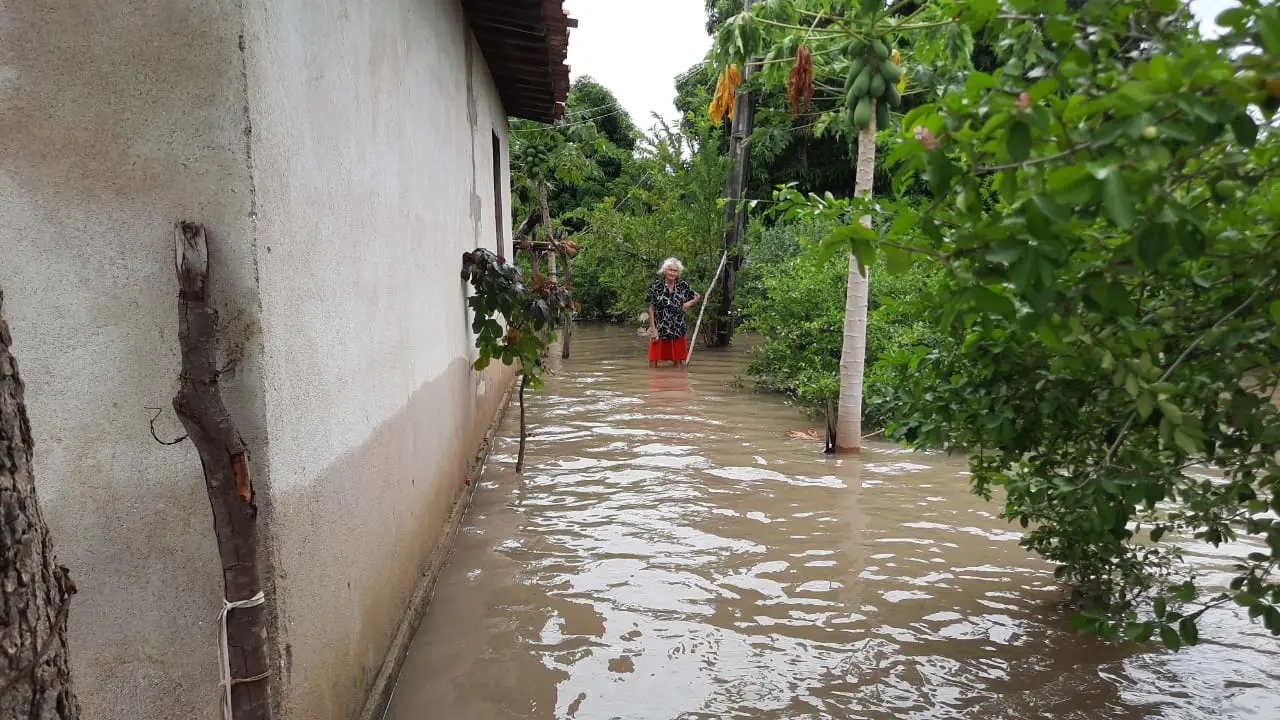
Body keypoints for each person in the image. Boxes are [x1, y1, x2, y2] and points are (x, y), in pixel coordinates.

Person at [646, 257, 701, 368]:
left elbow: (697, 297)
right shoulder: (656, 286)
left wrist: (688, 304)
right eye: (670, 270)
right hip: (660, 327)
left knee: (678, 362)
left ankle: (677, 382)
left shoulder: (682, 285)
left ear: (678, 273)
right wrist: (653, 328)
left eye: (675, 271)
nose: (672, 273)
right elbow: (651, 308)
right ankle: (655, 382)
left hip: (677, 326)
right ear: (665, 271)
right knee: (653, 360)